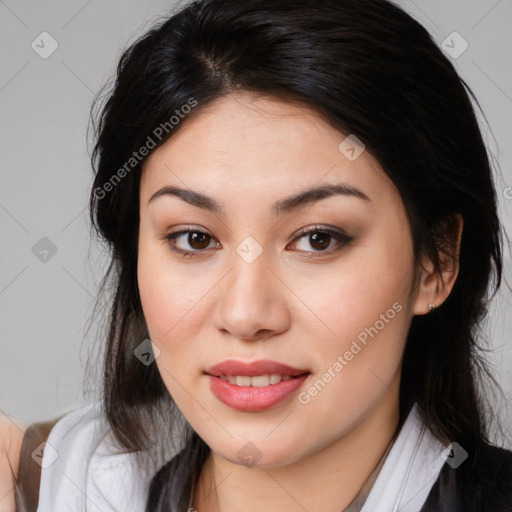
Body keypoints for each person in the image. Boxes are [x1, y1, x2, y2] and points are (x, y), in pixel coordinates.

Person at [8, 0, 512, 510]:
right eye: (194, 238)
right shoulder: (50, 484)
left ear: (437, 262)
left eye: (318, 238)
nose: (246, 314)